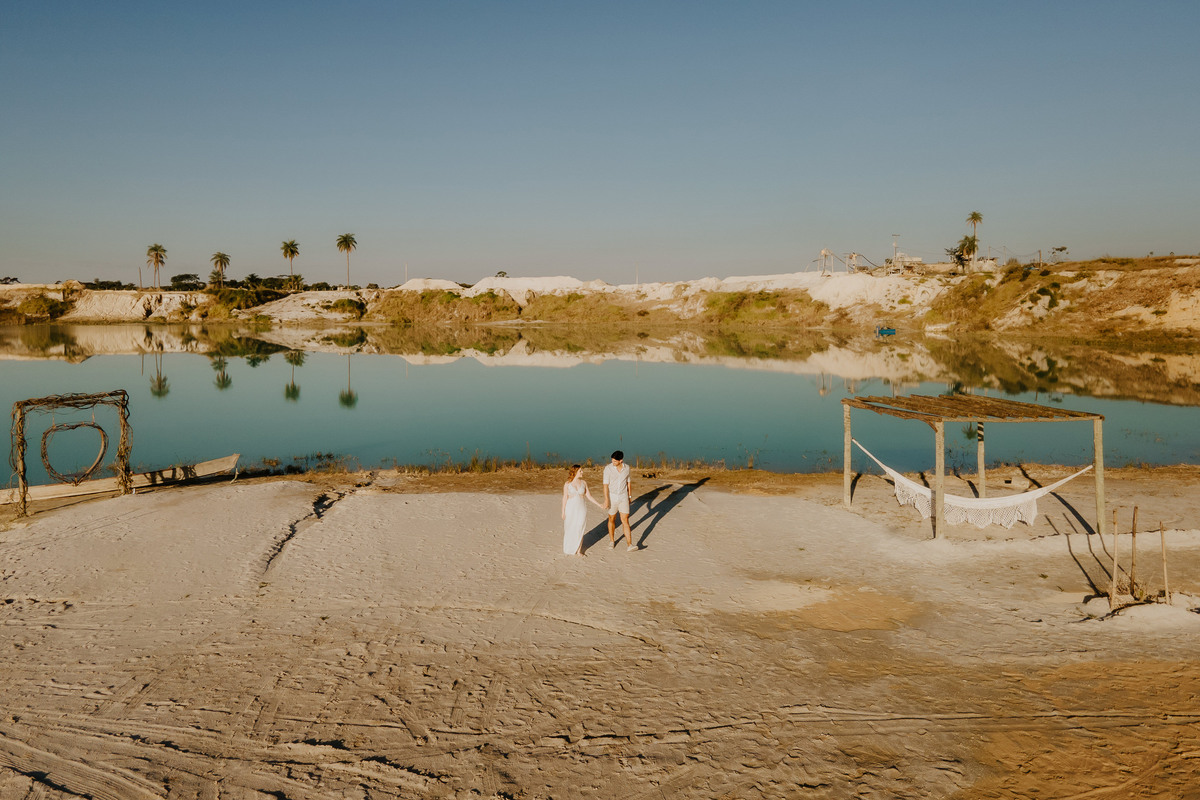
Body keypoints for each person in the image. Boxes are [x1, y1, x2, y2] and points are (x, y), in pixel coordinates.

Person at [562, 464, 604, 556]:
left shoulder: (584, 483)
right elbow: (565, 497)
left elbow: (589, 496)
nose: (582, 472)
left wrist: (599, 504)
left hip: (581, 508)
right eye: (580, 471)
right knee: (570, 527)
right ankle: (569, 547)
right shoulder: (567, 484)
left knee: (580, 527)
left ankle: (579, 550)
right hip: (570, 508)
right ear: (575, 472)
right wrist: (563, 511)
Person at [603, 450, 636, 551]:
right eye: (612, 460)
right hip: (612, 497)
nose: (613, 462)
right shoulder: (608, 469)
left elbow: (628, 482)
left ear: (621, 460)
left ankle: (629, 545)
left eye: (615, 461)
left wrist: (629, 497)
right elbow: (605, 485)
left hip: (623, 497)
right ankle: (612, 541)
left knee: (625, 520)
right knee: (611, 519)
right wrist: (606, 500)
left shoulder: (627, 468)